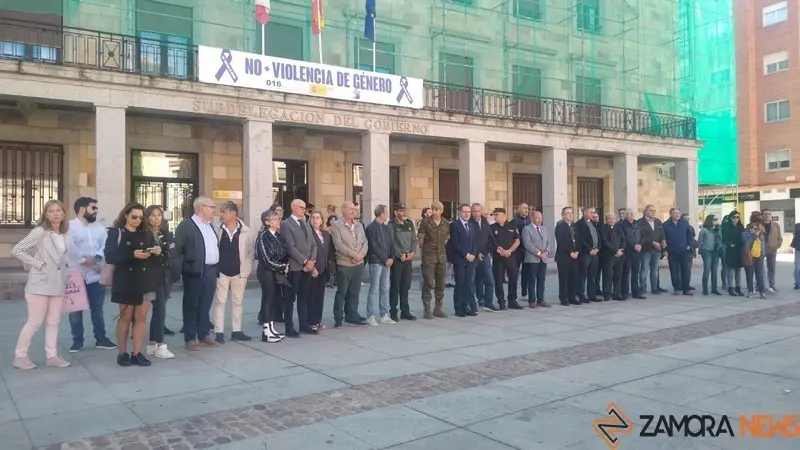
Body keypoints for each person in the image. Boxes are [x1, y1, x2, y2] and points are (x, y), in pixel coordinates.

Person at [11, 199, 71, 370]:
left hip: (57, 283)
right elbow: (17, 249)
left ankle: (51, 356)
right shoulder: (40, 232)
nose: (55, 213)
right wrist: (38, 264)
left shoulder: (65, 234)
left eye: (59, 210)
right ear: (45, 214)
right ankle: (20, 356)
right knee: (34, 322)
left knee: (54, 322)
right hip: (39, 283)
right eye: (51, 211)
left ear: (64, 213)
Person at [106, 202, 160, 367]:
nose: (137, 220)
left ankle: (137, 353)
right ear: (125, 215)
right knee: (125, 318)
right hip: (125, 281)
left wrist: (157, 252)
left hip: (145, 280)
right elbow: (110, 256)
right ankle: (122, 354)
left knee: (141, 318)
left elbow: (155, 257)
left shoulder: (146, 233)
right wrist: (132, 254)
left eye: (140, 217)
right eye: (134, 217)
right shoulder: (116, 233)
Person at [66, 197, 116, 353]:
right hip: (75, 274)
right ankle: (77, 341)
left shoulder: (100, 228)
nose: (96, 211)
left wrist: (96, 259)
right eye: (93, 208)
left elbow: (105, 246)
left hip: (95, 274)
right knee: (75, 310)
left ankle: (101, 338)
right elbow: (70, 247)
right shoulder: (69, 227)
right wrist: (83, 260)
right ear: (82, 209)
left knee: (97, 309)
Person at [171, 197, 220, 351]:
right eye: (211, 207)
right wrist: (182, 268)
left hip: (211, 271)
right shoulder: (187, 226)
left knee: (205, 304)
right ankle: (190, 336)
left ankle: (203, 333)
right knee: (191, 304)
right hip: (194, 271)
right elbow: (177, 250)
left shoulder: (210, 226)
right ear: (201, 208)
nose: (214, 209)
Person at [212, 201, 254, 343]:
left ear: (233, 213)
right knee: (220, 302)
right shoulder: (216, 229)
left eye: (224, 212)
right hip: (221, 272)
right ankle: (219, 332)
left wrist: (247, 270)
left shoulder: (246, 231)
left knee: (238, 302)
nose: (220, 214)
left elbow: (250, 252)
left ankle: (237, 331)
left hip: (239, 273)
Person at [281, 199, 318, 337]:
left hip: (307, 267)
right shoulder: (286, 224)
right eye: (301, 207)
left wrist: (311, 261)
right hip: (296, 267)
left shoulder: (305, 223)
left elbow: (314, 244)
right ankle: (289, 327)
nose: (304, 210)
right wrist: (304, 261)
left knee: (304, 297)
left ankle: (303, 324)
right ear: (294, 208)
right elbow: (290, 247)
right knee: (291, 299)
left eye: (304, 208)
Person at [143, 205, 176, 359]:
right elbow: (149, 253)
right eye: (153, 215)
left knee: (159, 310)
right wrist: (160, 252)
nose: (156, 218)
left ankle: (151, 344)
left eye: (159, 215)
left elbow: (172, 251)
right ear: (147, 217)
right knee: (160, 308)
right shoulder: (145, 233)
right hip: (152, 275)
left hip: (165, 274)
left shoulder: (164, 233)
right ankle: (161, 345)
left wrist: (164, 251)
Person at [330, 201, 369, 327]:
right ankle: (338, 316)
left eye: (355, 209)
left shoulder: (359, 225)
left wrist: (360, 255)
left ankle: (352, 314)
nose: (354, 211)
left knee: (354, 291)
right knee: (342, 291)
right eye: (351, 209)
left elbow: (365, 243)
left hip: (358, 263)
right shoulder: (336, 225)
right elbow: (338, 244)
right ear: (343, 210)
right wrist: (354, 255)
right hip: (345, 263)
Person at [255, 210, 288, 342]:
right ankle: (266, 330)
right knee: (268, 299)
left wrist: (284, 264)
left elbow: (284, 252)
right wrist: (282, 266)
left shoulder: (279, 236)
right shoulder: (263, 236)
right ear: (267, 222)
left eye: (278, 218)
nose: (277, 221)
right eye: (274, 219)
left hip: (277, 271)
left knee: (275, 300)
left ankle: (272, 327)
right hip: (266, 272)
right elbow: (266, 259)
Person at [417, 202, 450, 319]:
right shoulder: (425, 222)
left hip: (441, 257)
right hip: (429, 257)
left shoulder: (446, 223)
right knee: (429, 283)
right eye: (433, 209)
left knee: (441, 284)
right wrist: (421, 242)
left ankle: (438, 308)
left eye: (437, 210)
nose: (434, 212)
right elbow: (420, 236)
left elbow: (447, 236)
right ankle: (427, 309)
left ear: (441, 210)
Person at [365, 204, 395, 326]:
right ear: (381, 213)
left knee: (385, 289)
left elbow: (391, 244)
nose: (387, 214)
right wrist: (384, 259)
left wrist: (391, 258)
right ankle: (370, 315)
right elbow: (373, 246)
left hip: (387, 262)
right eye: (386, 212)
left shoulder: (387, 228)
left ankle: (384, 314)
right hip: (376, 261)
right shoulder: (371, 227)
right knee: (374, 288)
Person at [449, 204, 479, 317]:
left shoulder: (472, 225)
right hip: (460, 259)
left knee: (468, 283)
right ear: (459, 213)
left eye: (468, 212)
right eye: (464, 212)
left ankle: (466, 306)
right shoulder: (454, 225)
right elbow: (455, 243)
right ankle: (458, 307)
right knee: (460, 283)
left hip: (471, 259)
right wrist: (466, 254)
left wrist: (473, 254)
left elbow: (475, 243)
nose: (467, 214)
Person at [389, 203, 417, 322]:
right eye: (400, 211)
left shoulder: (409, 223)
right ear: (395, 212)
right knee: (395, 286)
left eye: (404, 210)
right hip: (398, 260)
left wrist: (412, 252)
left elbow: (414, 240)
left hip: (408, 259)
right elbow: (391, 242)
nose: (403, 213)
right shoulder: (391, 225)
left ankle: (405, 311)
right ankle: (393, 312)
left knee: (406, 286)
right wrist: (400, 255)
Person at [491, 208, 522, 310]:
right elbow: (491, 242)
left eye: (497, 215)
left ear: (504, 215)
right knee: (499, 280)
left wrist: (509, 251)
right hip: (498, 258)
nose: (495, 217)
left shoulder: (512, 225)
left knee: (513, 279)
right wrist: (501, 251)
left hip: (511, 257)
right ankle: (501, 302)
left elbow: (517, 241)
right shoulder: (492, 227)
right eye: (494, 215)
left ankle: (512, 301)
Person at [521, 210, 552, 308]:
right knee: (532, 281)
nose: (540, 220)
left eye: (541, 218)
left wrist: (546, 252)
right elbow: (527, 244)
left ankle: (540, 299)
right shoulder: (527, 229)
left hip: (543, 259)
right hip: (532, 259)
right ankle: (532, 300)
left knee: (541, 280)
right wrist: (539, 253)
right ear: (532, 218)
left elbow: (548, 242)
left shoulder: (544, 229)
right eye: (537, 218)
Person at [309, 211, 333, 331]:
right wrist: (312, 267)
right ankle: (311, 321)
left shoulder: (326, 234)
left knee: (320, 297)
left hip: (323, 269)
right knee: (311, 296)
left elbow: (329, 252)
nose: (315, 219)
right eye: (313, 217)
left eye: (318, 217)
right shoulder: (308, 233)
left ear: (322, 220)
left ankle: (318, 321)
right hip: (313, 270)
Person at [471, 203, 498, 310]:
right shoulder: (469, 223)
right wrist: (477, 253)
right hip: (473, 255)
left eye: (478, 211)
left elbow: (490, 237)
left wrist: (497, 248)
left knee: (489, 279)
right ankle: (478, 299)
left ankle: (489, 302)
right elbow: (470, 241)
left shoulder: (485, 221)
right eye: (474, 211)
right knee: (475, 280)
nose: (477, 213)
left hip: (485, 255)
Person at [663, 208, 694, 296]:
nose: (677, 215)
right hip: (672, 251)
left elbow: (690, 235)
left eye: (678, 213)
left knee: (686, 270)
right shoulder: (665, 225)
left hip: (684, 251)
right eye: (674, 213)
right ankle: (677, 288)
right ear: (670, 214)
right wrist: (664, 250)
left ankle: (686, 288)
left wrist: (689, 246)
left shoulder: (684, 223)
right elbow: (663, 238)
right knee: (674, 270)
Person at [555, 207, 580, 306]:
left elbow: (578, 239)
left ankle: (572, 297)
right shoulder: (560, 226)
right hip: (564, 256)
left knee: (573, 277)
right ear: (563, 215)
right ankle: (564, 298)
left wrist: (577, 251)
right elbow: (561, 242)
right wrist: (570, 252)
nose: (570, 215)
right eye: (567, 213)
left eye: (571, 213)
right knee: (564, 278)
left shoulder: (574, 225)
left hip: (575, 255)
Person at [575, 207, 601, 303]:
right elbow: (581, 239)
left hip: (595, 253)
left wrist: (598, 248)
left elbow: (598, 237)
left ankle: (592, 295)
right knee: (582, 275)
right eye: (591, 212)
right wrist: (590, 249)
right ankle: (581, 295)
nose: (593, 214)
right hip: (585, 254)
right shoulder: (579, 224)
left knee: (592, 275)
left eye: (593, 212)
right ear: (585, 213)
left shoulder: (593, 223)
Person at [639, 205, 667, 295]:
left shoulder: (658, 221)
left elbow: (662, 233)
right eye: (651, 210)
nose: (653, 212)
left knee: (655, 270)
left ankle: (654, 288)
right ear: (646, 211)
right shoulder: (640, 222)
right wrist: (652, 242)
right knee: (644, 269)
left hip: (657, 250)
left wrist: (663, 240)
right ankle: (643, 288)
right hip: (646, 250)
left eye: (654, 210)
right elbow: (642, 236)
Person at [620, 209, 645, 300]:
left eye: (632, 213)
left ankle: (636, 292)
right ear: (625, 216)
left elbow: (642, 236)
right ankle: (625, 292)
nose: (631, 215)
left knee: (635, 272)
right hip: (627, 252)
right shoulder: (622, 225)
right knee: (626, 272)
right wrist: (633, 246)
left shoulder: (638, 224)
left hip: (637, 252)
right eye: (629, 214)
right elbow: (624, 238)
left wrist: (640, 244)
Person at [599, 212, 625, 301]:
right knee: (608, 275)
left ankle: (617, 294)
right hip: (608, 256)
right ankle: (607, 294)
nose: (611, 220)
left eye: (613, 218)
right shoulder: (603, 228)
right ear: (606, 220)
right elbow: (605, 241)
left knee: (618, 275)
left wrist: (621, 250)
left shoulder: (618, 228)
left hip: (619, 255)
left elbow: (623, 239)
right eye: (609, 218)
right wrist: (615, 250)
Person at [721, 210, 744, 296]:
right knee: (730, 269)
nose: (736, 219)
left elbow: (743, 236)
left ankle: (738, 287)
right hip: (730, 250)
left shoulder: (740, 226)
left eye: (737, 217)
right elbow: (723, 237)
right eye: (734, 217)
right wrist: (729, 244)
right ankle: (730, 287)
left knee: (738, 269)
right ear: (730, 218)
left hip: (739, 249)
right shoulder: (726, 226)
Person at [742, 221, 767, 299]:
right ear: (750, 229)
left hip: (759, 257)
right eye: (755, 229)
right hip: (749, 256)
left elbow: (763, 245)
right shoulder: (745, 234)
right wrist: (753, 236)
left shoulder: (760, 235)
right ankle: (750, 291)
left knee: (760, 275)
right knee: (749, 275)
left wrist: (763, 254)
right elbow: (746, 244)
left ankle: (762, 292)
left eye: (757, 229)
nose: (757, 230)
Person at [698, 215, 722, 296]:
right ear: (709, 220)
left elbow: (721, 239)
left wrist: (718, 229)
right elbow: (700, 241)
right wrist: (700, 250)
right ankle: (705, 288)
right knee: (707, 269)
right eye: (714, 219)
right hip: (706, 251)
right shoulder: (704, 230)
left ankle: (714, 288)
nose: (716, 221)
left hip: (716, 251)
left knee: (714, 270)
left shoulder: (717, 229)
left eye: (716, 219)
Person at [761, 209, 782, 292]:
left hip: (772, 248)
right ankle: (761, 285)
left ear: (771, 215)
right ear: (762, 215)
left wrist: (778, 245)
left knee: (772, 267)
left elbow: (779, 236)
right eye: (765, 214)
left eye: (768, 214)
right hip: (761, 248)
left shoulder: (775, 225)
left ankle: (771, 285)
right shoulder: (759, 225)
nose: (767, 215)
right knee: (760, 268)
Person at [514, 203, 532, 299]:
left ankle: (525, 292)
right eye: (524, 208)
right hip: (518, 250)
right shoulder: (515, 221)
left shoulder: (529, 221)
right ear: (518, 210)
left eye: (527, 208)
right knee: (515, 272)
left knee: (527, 272)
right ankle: (514, 293)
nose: (526, 210)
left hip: (528, 251)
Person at [791, 223, 800, 290]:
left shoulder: (797, 226)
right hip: (798, 249)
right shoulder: (798, 226)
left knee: (797, 267)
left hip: (798, 249)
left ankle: (797, 283)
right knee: (797, 267)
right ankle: (797, 282)